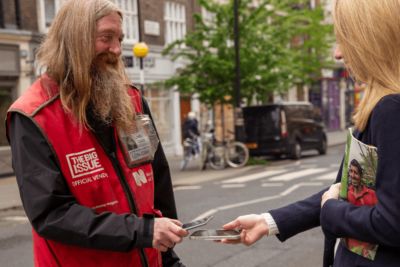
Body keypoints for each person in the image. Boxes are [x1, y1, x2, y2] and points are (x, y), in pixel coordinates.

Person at [5, 0, 188, 266]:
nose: (116, 49)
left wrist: (168, 258)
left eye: (120, 39)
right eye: (106, 37)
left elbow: (157, 182)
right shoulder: (32, 116)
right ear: (73, 39)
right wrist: (142, 231)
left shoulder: (131, 99)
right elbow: (51, 214)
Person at [219, 0, 400, 266]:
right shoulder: (381, 102)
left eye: (344, 41)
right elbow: (345, 192)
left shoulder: (391, 108)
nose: (338, 54)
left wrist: (332, 210)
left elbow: (392, 223)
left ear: (371, 40)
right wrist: (268, 222)